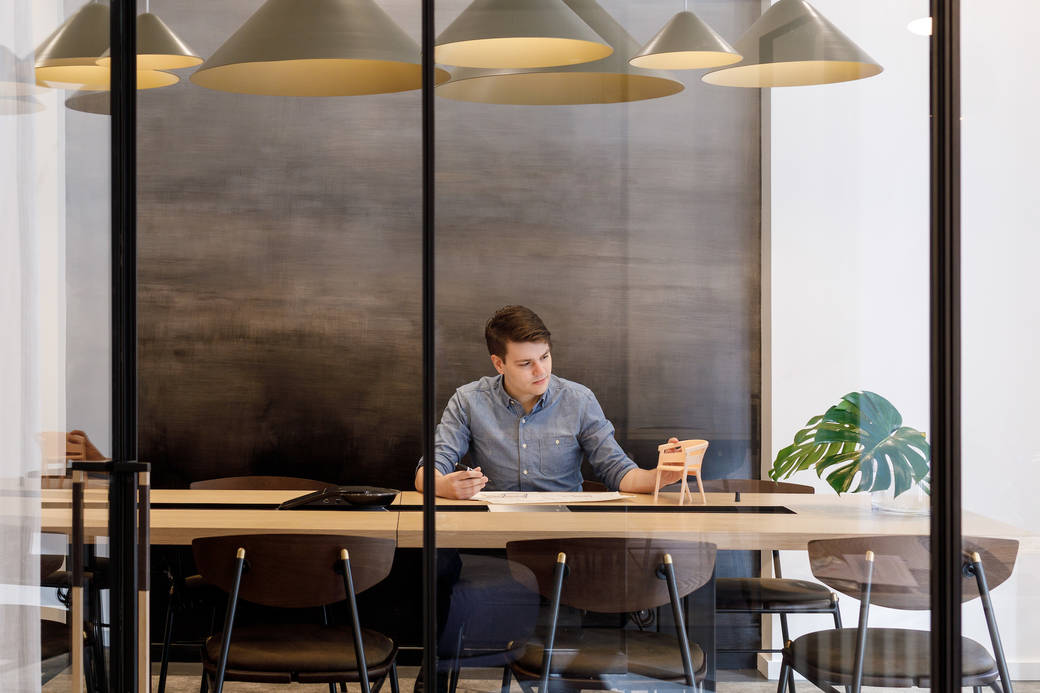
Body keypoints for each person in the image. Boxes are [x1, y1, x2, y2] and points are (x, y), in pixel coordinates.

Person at [415, 305, 685, 498]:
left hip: (564, 536)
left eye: (544, 357)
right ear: (499, 364)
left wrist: (661, 476)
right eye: (526, 363)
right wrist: (441, 486)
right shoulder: (468, 400)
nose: (541, 371)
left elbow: (616, 470)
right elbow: (430, 468)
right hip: (493, 535)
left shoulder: (579, 400)